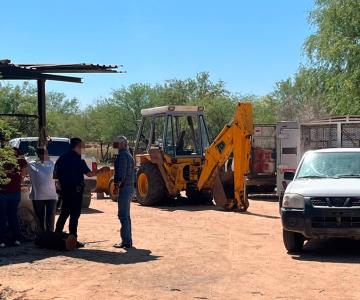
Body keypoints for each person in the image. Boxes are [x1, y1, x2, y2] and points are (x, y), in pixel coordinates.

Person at [54, 138, 96, 239]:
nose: (82, 149)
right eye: (81, 147)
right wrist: (101, 171)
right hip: (76, 191)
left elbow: (55, 173)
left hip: (65, 190)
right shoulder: (79, 159)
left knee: (64, 213)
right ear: (77, 146)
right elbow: (89, 174)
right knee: (74, 215)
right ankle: (73, 237)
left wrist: (58, 182)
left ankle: (57, 235)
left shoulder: (62, 158)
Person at [0, 145, 27, 248]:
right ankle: (16, 239)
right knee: (13, 215)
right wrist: (19, 181)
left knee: (2, 217)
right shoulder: (16, 151)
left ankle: (2, 241)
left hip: (2, 191)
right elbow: (24, 170)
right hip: (15, 191)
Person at [27, 148, 57, 232]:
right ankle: (41, 236)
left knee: (50, 217)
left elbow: (57, 177)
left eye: (47, 153)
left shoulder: (52, 164)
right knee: (39, 218)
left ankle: (50, 235)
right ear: (39, 155)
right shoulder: (32, 165)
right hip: (38, 197)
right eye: (45, 154)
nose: (47, 155)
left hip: (51, 196)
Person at [113, 136, 135, 249]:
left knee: (123, 215)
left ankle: (126, 241)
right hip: (129, 187)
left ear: (122, 144)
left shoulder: (122, 156)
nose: (115, 145)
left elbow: (121, 173)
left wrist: (117, 186)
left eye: (116, 143)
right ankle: (128, 240)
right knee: (126, 215)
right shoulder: (128, 155)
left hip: (125, 188)